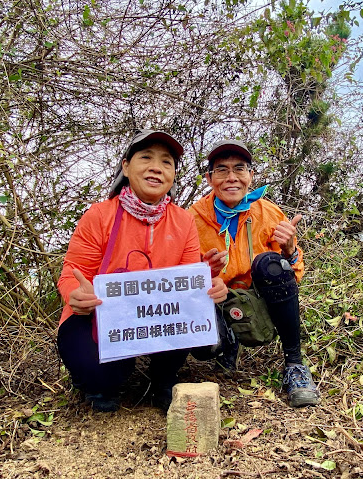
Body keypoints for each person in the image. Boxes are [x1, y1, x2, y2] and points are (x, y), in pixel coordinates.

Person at [57, 130, 228, 412]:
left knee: (195, 318)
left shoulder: (183, 221)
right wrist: (76, 295)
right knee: (103, 375)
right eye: (146, 158)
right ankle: (101, 380)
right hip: (98, 316)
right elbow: (71, 273)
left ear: (173, 175)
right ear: (126, 166)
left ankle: (163, 378)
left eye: (166, 162)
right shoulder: (99, 215)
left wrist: (209, 285)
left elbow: (186, 286)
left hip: (154, 316)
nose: (156, 168)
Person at [189, 140, 320, 408]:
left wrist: (290, 249)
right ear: (209, 178)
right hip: (216, 301)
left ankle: (295, 364)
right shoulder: (191, 218)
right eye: (222, 170)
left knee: (270, 262)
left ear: (251, 175)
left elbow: (292, 276)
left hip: (259, 301)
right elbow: (181, 275)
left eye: (240, 168)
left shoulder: (268, 212)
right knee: (205, 348)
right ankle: (226, 345)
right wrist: (205, 275)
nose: (232, 178)